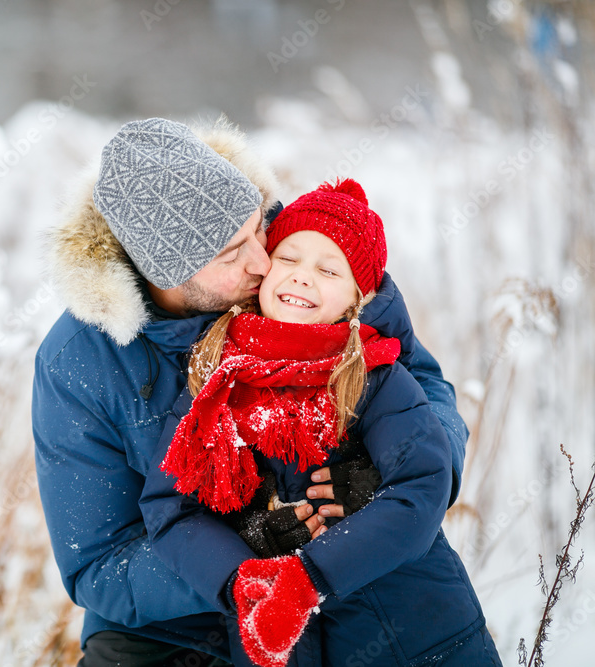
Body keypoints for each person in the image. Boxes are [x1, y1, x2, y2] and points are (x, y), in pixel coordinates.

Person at [32, 117, 469, 665]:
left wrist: (393, 475)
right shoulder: (81, 361)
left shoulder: (308, 253)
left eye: (255, 227)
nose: (264, 262)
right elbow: (97, 564)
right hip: (176, 622)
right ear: (165, 274)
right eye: (232, 253)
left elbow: (419, 380)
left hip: (356, 563)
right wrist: (245, 552)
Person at [144, 179, 500, 666]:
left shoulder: (374, 375)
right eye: (288, 259)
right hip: (273, 640)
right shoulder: (214, 379)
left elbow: (423, 482)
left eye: (329, 270)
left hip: (411, 637)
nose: (303, 277)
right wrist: (238, 578)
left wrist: (310, 578)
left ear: (359, 298)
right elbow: (171, 508)